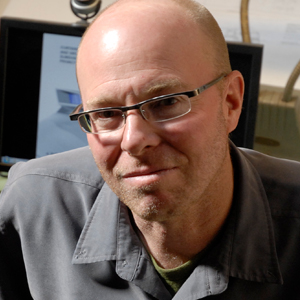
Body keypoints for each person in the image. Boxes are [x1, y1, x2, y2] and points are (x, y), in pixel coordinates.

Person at [0, 0, 300, 299]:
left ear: (230, 102)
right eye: (106, 114)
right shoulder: (31, 210)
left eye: (166, 102)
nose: (132, 140)